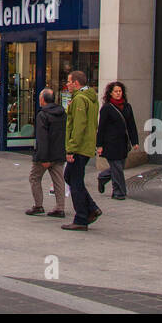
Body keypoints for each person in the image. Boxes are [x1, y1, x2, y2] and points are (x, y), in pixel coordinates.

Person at [61, 70, 100, 231]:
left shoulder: (80, 100)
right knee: (70, 176)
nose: (67, 85)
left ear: (76, 83)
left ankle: (81, 217)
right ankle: (91, 207)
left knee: (75, 180)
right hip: (86, 145)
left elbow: (78, 126)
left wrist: (71, 148)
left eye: (69, 82)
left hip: (80, 147)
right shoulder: (90, 98)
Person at [26, 87, 67, 218]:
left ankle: (38, 205)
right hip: (59, 152)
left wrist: (43, 158)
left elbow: (42, 138)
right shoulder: (62, 113)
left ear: (43, 100)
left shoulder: (42, 115)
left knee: (34, 177)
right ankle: (60, 207)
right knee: (59, 180)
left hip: (45, 154)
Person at [96, 81, 141, 200]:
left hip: (123, 142)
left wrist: (135, 141)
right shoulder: (106, 108)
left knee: (118, 167)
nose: (118, 93)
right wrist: (99, 145)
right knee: (117, 168)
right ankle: (119, 192)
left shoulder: (127, 106)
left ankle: (103, 177)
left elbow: (131, 125)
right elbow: (101, 128)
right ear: (110, 93)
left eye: (120, 91)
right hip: (110, 143)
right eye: (115, 91)